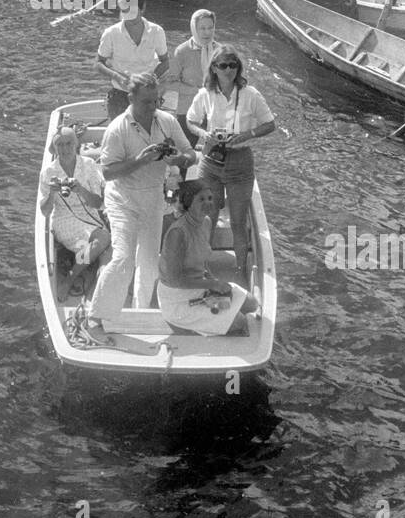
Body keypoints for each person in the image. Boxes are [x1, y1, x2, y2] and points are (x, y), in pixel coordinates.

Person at [84, 75, 195, 338]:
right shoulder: (117, 128)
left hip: (153, 198)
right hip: (122, 199)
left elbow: (191, 153)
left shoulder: (166, 121)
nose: (152, 106)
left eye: (156, 101)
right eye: (146, 102)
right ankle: (97, 314)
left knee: (147, 261)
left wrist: (179, 159)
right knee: (123, 257)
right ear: (131, 98)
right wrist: (141, 160)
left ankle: (140, 309)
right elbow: (108, 173)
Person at [186, 48, 275, 279]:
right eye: (224, 65)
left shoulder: (250, 94)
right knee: (208, 218)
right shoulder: (205, 93)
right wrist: (204, 134)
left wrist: (249, 134)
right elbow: (191, 121)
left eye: (233, 65)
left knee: (237, 220)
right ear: (214, 68)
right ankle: (202, 268)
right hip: (211, 160)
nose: (229, 70)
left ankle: (240, 271)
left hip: (240, 162)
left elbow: (269, 124)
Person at [157, 181, 260, 335]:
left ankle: (212, 324)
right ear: (188, 202)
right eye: (201, 199)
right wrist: (213, 284)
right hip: (177, 298)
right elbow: (174, 280)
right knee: (240, 322)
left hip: (200, 287)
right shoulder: (177, 233)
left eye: (210, 198)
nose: (208, 203)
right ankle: (187, 326)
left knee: (251, 303)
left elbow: (203, 261)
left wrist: (214, 283)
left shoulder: (206, 222)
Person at [39, 127, 110, 286]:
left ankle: (88, 272)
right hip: (64, 219)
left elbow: (98, 203)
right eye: (60, 145)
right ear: (55, 148)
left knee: (101, 248)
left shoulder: (89, 165)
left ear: (76, 143)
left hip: (90, 216)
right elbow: (45, 212)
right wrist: (52, 194)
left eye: (68, 143)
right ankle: (70, 280)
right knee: (104, 240)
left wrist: (81, 190)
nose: (64, 149)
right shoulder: (48, 172)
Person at [96, 0, 168, 118]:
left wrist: (151, 78)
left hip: (147, 95)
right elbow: (98, 63)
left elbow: (165, 62)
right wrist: (118, 77)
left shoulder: (157, 31)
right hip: (120, 94)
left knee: (148, 134)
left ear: (143, 8)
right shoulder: (110, 33)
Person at [164, 9, 219, 137]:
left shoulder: (220, 51)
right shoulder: (182, 51)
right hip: (188, 110)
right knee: (185, 149)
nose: (207, 32)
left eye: (210, 28)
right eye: (202, 28)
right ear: (194, 28)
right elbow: (169, 83)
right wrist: (195, 91)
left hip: (214, 110)